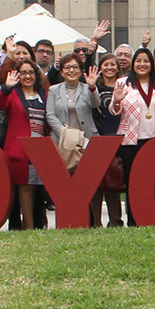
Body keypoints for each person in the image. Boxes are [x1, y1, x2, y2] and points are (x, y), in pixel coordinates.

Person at [110, 47, 155, 226]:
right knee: (134, 183)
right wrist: (117, 100)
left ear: (151, 64)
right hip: (130, 141)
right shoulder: (122, 82)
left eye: (146, 61)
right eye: (138, 61)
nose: (142, 65)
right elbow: (113, 110)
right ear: (133, 64)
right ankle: (134, 221)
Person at [0, 59, 50, 230]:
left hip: (40, 148)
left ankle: (33, 224)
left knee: (35, 188)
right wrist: (7, 87)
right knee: (25, 187)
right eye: (23, 72)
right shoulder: (13, 94)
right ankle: (29, 226)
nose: (27, 76)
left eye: (31, 72)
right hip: (20, 150)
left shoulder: (44, 94)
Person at [46, 53, 101, 224]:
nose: (71, 70)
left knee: (86, 182)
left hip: (86, 141)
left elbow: (95, 104)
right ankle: (70, 218)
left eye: (75, 67)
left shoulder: (87, 88)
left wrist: (92, 87)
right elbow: (50, 114)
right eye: (67, 67)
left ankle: (91, 220)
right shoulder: (54, 90)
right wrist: (65, 132)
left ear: (81, 71)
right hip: (62, 140)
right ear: (61, 71)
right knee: (66, 181)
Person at [90, 52, 125, 226]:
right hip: (97, 138)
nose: (109, 67)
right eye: (106, 64)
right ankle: (96, 222)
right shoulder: (93, 86)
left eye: (113, 64)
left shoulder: (125, 85)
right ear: (100, 67)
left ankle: (115, 220)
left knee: (113, 180)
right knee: (96, 181)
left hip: (119, 138)